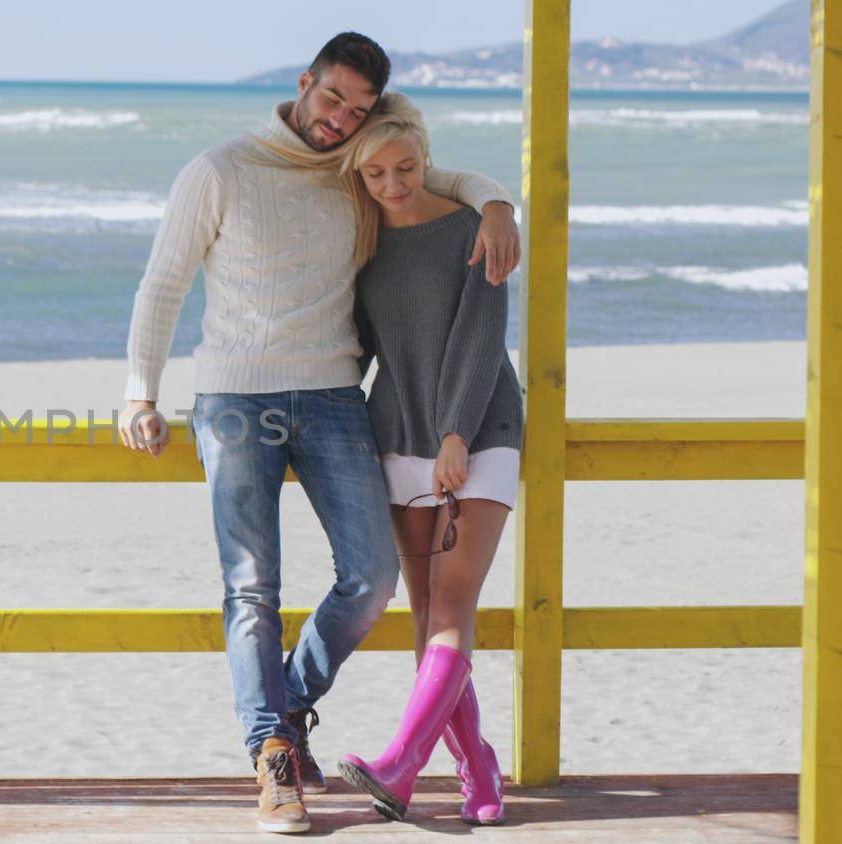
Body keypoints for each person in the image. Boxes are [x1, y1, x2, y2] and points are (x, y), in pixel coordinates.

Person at [117, 33, 520, 834]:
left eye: (359, 110)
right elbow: (163, 281)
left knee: (372, 578)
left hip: (337, 395)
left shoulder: (355, 171)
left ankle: (290, 704)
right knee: (251, 586)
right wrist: (140, 393)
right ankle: (273, 751)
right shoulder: (219, 169)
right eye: (333, 99)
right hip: (235, 398)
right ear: (304, 84)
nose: (341, 120)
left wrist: (501, 203)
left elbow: (437, 177)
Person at [333, 92, 524, 826]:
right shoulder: (362, 243)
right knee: (423, 616)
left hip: (481, 428)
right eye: (375, 173)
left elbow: (482, 334)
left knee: (451, 604)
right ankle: (475, 766)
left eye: (405, 167)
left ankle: (398, 765)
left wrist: (454, 436)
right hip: (395, 432)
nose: (392, 184)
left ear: (425, 155)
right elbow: (355, 344)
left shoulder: (473, 228)